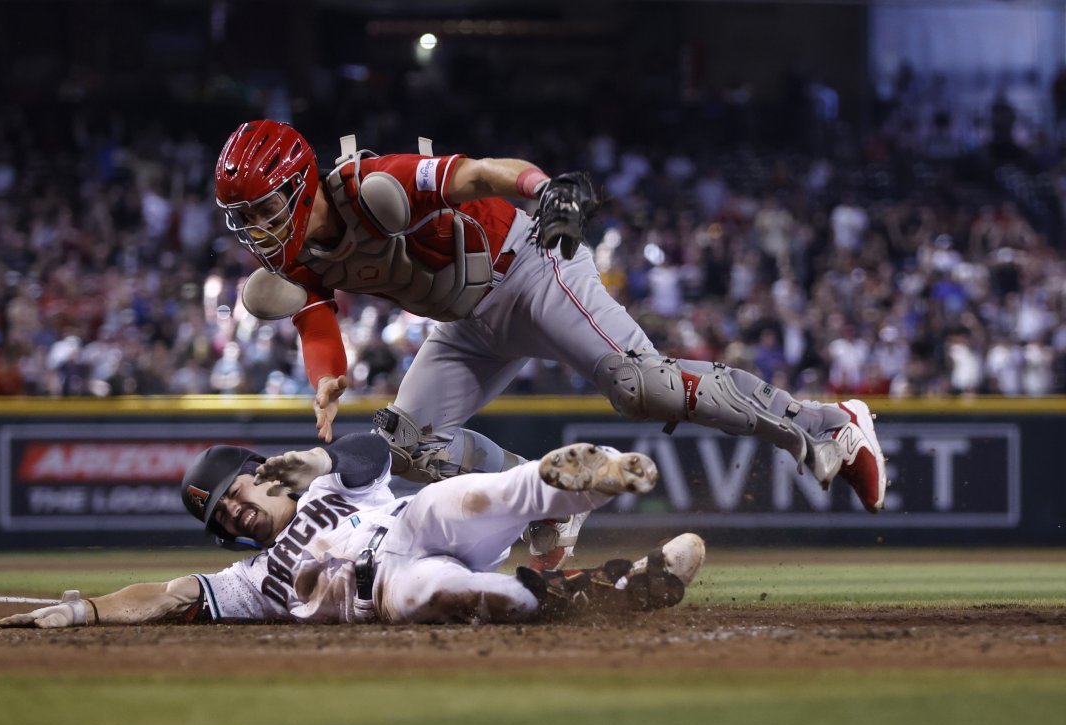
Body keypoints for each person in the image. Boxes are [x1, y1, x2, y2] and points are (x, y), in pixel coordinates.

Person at [215, 120, 886, 569]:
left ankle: (830, 426)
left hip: (529, 267)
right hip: (466, 325)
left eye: (261, 208)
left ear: (301, 183)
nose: (254, 228)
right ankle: (551, 502)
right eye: (242, 217)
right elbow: (315, 319)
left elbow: (476, 174)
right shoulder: (297, 252)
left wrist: (542, 189)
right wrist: (327, 376)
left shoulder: (371, 186)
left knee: (640, 386)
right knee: (405, 446)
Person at [0, 433, 706, 628]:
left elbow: (370, 453)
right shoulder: (249, 582)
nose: (236, 512)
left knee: (457, 499)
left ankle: (594, 473)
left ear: (255, 472)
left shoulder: (324, 477)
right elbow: (170, 592)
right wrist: (87, 608)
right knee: (439, 595)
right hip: (386, 584)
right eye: (223, 517)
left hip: (405, 521)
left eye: (233, 494)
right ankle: (600, 587)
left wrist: (320, 458)